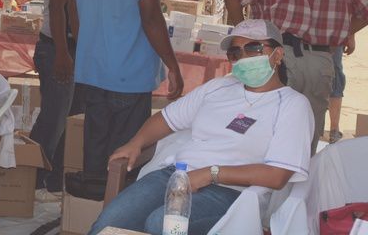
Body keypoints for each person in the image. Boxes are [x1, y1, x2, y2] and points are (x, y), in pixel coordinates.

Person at [89, 20, 313, 235]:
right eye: (235, 53)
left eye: (253, 48)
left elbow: (277, 175)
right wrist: (135, 143)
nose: (243, 58)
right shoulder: (218, 88)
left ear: (278, 54)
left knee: (160, 224)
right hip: (174, 176)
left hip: (232, 192)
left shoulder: (293, 105)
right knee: (110, 223)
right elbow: (167, 119)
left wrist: (210, 174)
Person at [220, 0, 368, 152]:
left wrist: (246, 33)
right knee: (306, 136)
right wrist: (344, 33)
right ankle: (297, 183)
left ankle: (260, 184)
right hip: (320, 60)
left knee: (263, 134)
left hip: (274, 57)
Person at [71, 0, 184, 185]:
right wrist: (173, 65)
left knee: (95, 154)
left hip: (93, 72)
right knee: (124, 161)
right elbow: (152, 17)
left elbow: (74, 14)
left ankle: (87, 210)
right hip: (129, 75)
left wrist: (89, 50)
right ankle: (115, 217)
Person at [30, 0, 109, 193]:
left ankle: (54, 180)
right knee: (53, 120)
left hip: (73, 48)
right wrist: (63, 54)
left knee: (70, 121)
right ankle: (32, 180)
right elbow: (58, 10)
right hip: (57, 48)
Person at [328, 34, 354, 143]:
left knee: (334, 76)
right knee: (335, 77)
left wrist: (351, 36)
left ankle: (333, 129)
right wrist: (351, 36)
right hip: (334, 35)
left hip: (335, 36)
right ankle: (333, 130)